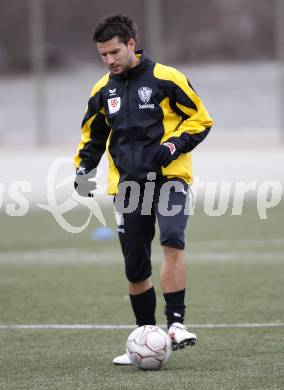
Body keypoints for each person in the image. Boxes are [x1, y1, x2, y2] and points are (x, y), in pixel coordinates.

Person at [74, 14, 214, 365]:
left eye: (115, 52)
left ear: (132, 44)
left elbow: (200, 119)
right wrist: (83, 169)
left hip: (170, 179)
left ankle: (177, 325)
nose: (110, 60)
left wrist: (173, 146)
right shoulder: (102, 90)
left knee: (171, 238)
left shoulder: (167, 78)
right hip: (127, 187)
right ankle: (145, 336)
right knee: (135, 267)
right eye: (103, 55)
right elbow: (93, 136)